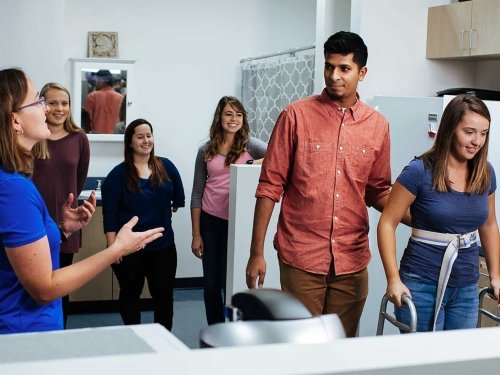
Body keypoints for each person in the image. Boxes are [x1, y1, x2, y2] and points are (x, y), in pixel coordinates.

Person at [245, 31, 393, 338]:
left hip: (351, 262)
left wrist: (417, 216)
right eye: (329, 67)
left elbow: (378, 190)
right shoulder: (295, 115)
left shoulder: (378, 126)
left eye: (344, 68)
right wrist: (256, 252)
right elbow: (269, 186)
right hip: (301, 256)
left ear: (361, 73)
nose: (334, 76)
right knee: (301, 347)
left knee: (341, 346)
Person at [0, 68, 164, 334]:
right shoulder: (13, 189)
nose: (46, 109)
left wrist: (61, 229)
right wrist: (116, 249)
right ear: (15, 121)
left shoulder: (14, 180)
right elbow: (44, 288)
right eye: (38, 101)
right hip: (23, 333)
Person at [377, 94, 500, 332]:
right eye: (469, 132)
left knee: (456, 363)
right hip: (421, 285)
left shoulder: (485, 173)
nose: (477, 141)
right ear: (451, 129)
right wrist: (393, 279)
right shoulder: (419, 171)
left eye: (483, 133)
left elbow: (489, 225)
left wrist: (496, 274)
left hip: (465, 288)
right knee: (424, 364)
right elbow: (387, 223)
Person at [102, 119, 185, 331]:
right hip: (129, 250)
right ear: (129, 142)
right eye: (140, 136)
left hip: (163, 247)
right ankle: (133, 336)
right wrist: (113, 247)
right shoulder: (117, 176)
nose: (146, 140)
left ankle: (164, 340)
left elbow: (178, 196)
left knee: (164, 296)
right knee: (130, 294)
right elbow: (109, 214)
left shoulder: (166, 166)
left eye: (149, 135)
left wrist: (172, 206)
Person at [191, 96, 267, 325]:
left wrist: (251, 165)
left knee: (231, 282)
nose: (233, 119)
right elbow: (196, 192)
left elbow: (277, 157)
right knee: (211, 284)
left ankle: (233, 326)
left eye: (238, 115)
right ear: (219, 117)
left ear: (243, 119)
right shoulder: (206, 149)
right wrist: (196, 234)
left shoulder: (251, 145)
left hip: (239, 222)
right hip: (211, 221)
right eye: (228, 114)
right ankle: (216, 328)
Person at [31, 82, 90, 328]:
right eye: (52, 102)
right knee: (33, 287)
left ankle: (59, 335)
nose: (59, 108)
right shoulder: (34, 136)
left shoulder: (79, 138)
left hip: (66, 224)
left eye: (64, 103)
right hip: (33, 222)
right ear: (41, 106)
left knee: (60, 288)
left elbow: (80, 179)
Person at [83, 69, 123, 134]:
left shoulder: (91, 97)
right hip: (115, 138)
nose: (95, 82)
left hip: (95, 138)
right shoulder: (121, 98)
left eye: (96, 79)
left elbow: (85, 123)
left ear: (101, 80)